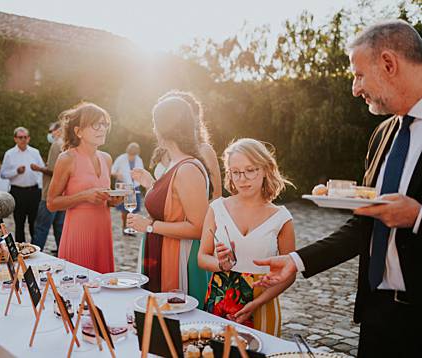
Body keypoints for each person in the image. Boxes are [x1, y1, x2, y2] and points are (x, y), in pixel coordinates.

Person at [254, 20, 422, 356]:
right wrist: (297, 260)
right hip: (377, 315)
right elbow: (364, 224)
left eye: (359, 75)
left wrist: (418, 216)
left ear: (389, 63)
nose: (355, 89)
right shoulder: (382, 135)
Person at [197, 138, 295, 336]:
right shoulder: (217, 208)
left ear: (266, 169)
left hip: (263, 302)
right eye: (235, 172)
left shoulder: (281, 217)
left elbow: (289, 272)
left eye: (250, 170)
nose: (242, 178)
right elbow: (202, 257)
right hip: (219, 298)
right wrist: (220, 265)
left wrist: (257, 303)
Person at [127, 91, 213, 299]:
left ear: (163, 129)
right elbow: (173, 205)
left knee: (175, 319)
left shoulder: (188, 168)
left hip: (179, 257)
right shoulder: (176, 163)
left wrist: (148, 225)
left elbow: (198, 227)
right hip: (162, 249)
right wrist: (151, 184)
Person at [46, 102, 123, 274]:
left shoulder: (107, 158)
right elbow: (51, 203)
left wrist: (113, 201)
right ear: (78, 131)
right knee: (78, 289)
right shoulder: (67, 159)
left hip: (103, 231)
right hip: (79, 233)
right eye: (96, 124)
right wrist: (83, 197)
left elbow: (103, 196)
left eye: (104, 124)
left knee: (103, 289)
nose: (102, 129)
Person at [0, 127, 45, 243]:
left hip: (34, 192)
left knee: (34, 223)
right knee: (19, 223)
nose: (23, 139)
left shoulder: (35, 152)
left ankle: (36, 249)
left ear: (29, 138)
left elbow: (43, 169)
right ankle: (21, 250)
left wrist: (38, 169)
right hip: (17, 192)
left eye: (25, 137)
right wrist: (16, 171)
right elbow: (3, 174)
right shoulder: (9, 154)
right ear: (15, 139)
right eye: (20, 137)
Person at [33, 121, 67, 252]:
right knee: (60, 228)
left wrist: (40, 168)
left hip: (50, 194)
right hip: (63, 194)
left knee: (41, 228)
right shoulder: (66, 146)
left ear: (58, 130)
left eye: (51, 130)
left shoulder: (56, 145)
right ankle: (64, 255)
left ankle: (34, 255)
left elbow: (54, 171)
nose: (50, 133)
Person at [112, 142, 145, 235]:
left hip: (135, 187)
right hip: (124, 186)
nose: (132, 157)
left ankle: (131, 228)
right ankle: (124, 227)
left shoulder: (139, 160)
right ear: (128, 152)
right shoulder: (121, 158)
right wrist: (117, 174)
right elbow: (113, 170)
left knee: (134, 210)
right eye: (130, 155)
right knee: (124, 209)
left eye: (134, 155)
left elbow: (142, 172)